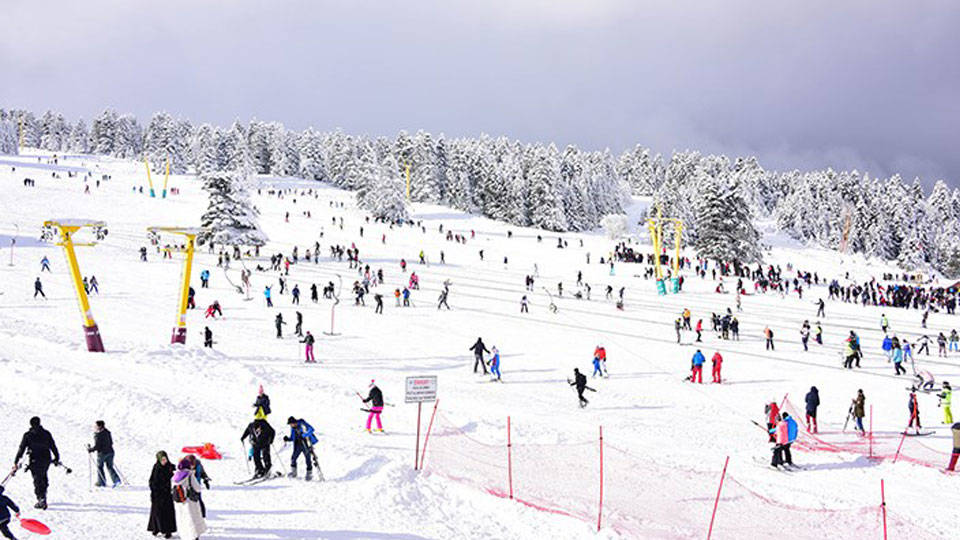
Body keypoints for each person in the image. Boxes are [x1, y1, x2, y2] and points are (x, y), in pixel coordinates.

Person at [13, 416, 59, 509]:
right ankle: (43, 495)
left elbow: (21, 449)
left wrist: (16, 461)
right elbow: (53, 446)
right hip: (46, 459)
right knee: (43, 476)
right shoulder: (46, 433)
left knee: (37, 479)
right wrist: (57, 457)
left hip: (35, 460)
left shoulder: (28, 435)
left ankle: (41, 498)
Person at [172, 457, 207, 539]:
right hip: (190, 501)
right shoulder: (190, 475)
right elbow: (197, 488)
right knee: (193, 519)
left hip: (180, 501)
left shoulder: (175, 476)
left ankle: (185, 535)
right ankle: (194, 536)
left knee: (183, 519)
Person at [147, 451, 177, 539]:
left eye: (165, 459)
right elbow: (152, 482)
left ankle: (168, 531)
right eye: (162, 460)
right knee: (157, 513)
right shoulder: (157, 468)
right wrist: (156, 492)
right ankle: (155, 529)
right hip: (158, 495)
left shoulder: (168, 466)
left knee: (168, 513)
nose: (164, 461)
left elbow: (174, 468)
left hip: (167, 494)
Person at [87, 420, 121, 487]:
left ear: (99, 426)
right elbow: (111, 442)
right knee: (110, 466)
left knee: (100, 467)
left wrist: (90, 450)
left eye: (96, 426)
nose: (95, 427)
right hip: (111, 452)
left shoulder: (98, 435)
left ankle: (101, 482)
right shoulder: (108, 432)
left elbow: (97, 446)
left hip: (102, 454)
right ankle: (116, 480)